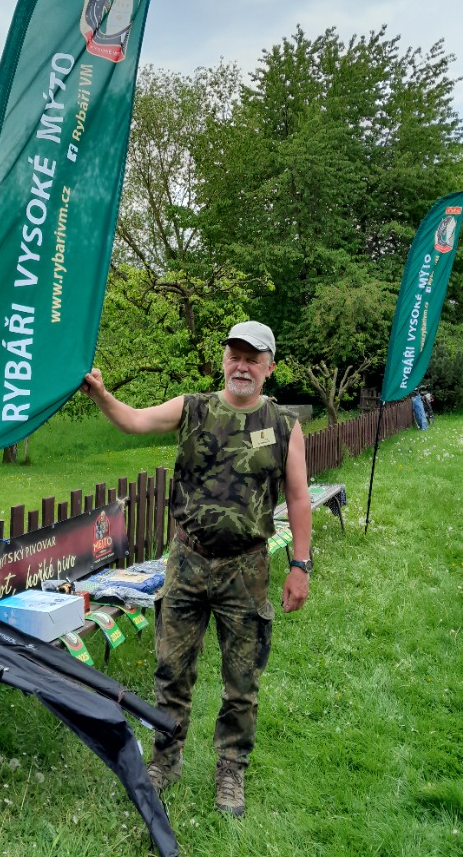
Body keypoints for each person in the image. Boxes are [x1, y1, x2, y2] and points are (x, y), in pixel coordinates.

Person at [80, 320, 312, 817]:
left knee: (242, 679)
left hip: (246, 569)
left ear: (269, 368)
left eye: (253, 359)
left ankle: (231, 768)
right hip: (187, 563)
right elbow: (134, 421)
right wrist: (101, 394)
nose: (242, 366)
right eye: (235, 356)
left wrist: (300, 565)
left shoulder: (285, 425)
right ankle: (166, 759)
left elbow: (298, 497)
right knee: (171, 670)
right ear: (224, 360)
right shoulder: (193, 409)